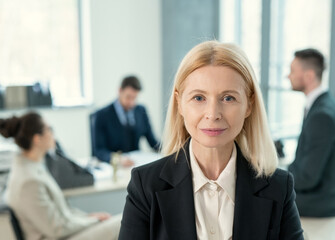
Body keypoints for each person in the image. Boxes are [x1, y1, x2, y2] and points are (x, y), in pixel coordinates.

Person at [118, 41, 304, 239]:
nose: (213, 114)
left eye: (228, 98)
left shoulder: (278, 186)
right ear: (179, 103)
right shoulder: (146, 185)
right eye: (199, 98)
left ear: (249, 105)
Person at [0, 112, 121, 240]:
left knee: (125, 222)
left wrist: (88, 217)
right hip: (58, 236)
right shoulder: (29, 180)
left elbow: (63, 213)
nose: (53, 135)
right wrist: (94, 221)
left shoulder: (32, 167)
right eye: (49, 129)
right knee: (124, 223)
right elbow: (56, 228)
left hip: (64, 232)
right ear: (37, 139)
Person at [287, 48, 335, 217]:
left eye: (292, 71)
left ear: (309, 76)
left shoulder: (322, 115)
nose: (288, 76)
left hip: (319, 204)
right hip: (319, 198)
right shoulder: (322, 105)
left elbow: (307, 177)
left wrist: (277, 180)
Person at [92, 75, 160, 163]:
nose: (131, 103)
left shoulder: (141, 111)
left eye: (134, 98)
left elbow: (152, 141)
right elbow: (99, 150)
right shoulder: (101, 115)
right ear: (120, 91)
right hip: (114, 166)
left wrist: (168, 151)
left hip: (135, 163)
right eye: (128, 97)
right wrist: (118, 159)